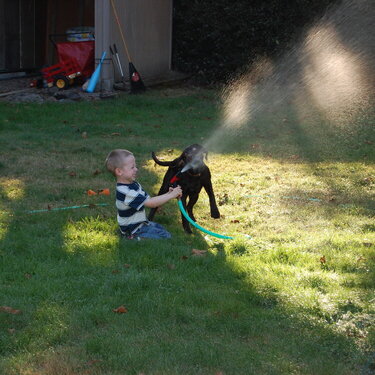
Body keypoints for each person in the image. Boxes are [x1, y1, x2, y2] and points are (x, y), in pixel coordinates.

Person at [105, 149, 182, 239]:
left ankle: (140, 235)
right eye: (132, 167)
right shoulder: (125, 191)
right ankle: (132, 238)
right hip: (133, 229)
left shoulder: (134, 185)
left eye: (135, 166)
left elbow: (149, 200)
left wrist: (169, 194)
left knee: (160, 228)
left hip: (141, 223)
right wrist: (171, 195)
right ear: (119, 172)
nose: (136, 169)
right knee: (166, 236)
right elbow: (151, 204)